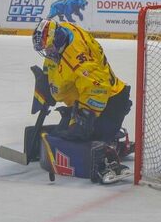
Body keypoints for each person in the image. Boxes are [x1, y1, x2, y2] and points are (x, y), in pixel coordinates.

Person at [32, 18, 133, 183]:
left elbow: (99, 88)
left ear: (58, 40)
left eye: (49, 48)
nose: (48, 53)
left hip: (110, 99)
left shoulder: (80, 61)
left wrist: (84, 116)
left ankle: (109, 154)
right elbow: (53, 59)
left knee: (80, 138)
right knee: (63, 133)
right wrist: (46, 78)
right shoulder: (63, 31)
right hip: (86, 95)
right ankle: (108, 134)